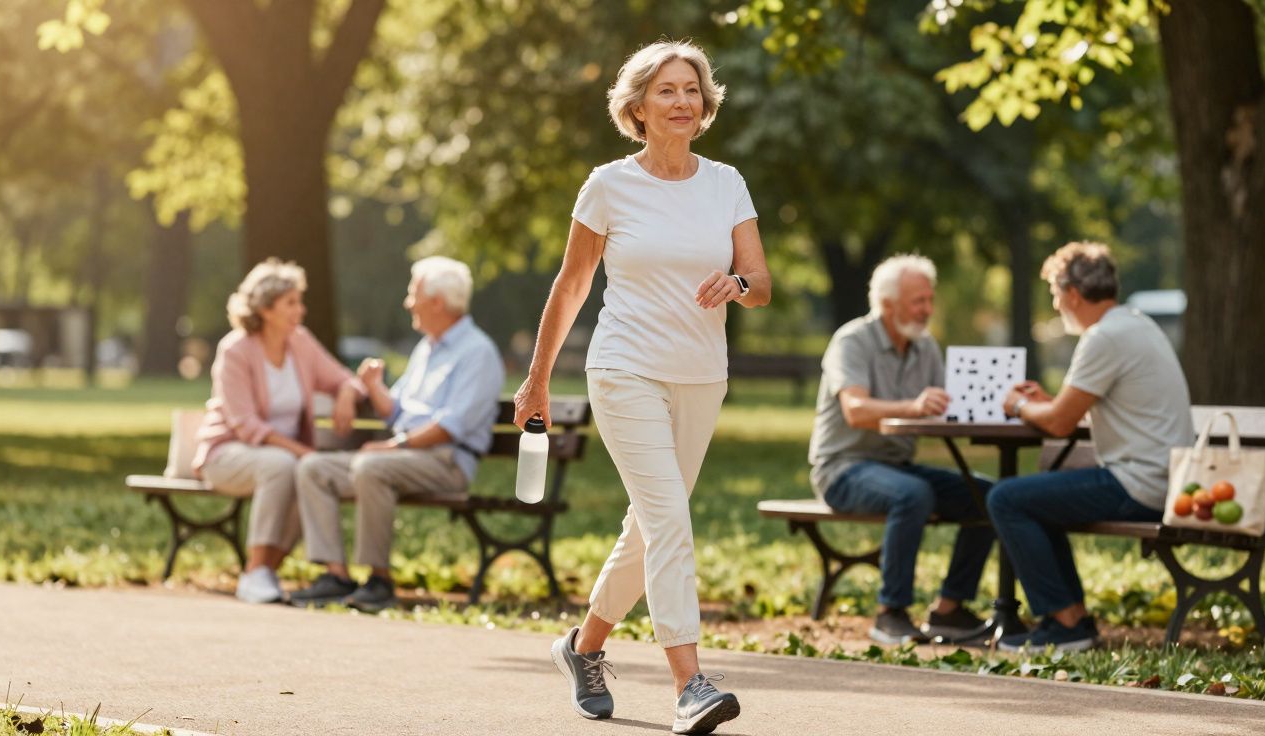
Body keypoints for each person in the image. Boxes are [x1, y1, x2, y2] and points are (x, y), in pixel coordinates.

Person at [511, 40, 770, 735]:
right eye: (667, 91)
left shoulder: (726, 183)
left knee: (648, 525)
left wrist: (737, 285)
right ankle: (690, 685)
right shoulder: (608, 185)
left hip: (701, 376)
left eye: (692, 89)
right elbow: (571, 286)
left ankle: (583, 647)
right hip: (624, 369)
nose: (683, 101)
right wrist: (537, 380)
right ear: (637, 106)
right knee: (668, 522)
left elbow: (761, 282)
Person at [990, 242, 1194, 653]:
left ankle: (1066, 627)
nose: (1055, 303)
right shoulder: (1136, 324)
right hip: (1163, 476)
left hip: (1140, 482)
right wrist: (1048, 405)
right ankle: (1072, 617)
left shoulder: (1104, 337)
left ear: (1072, 295)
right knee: (1035, 501)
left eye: (1054, 293)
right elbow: (1078, 409)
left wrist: (1019, 405)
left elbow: (1061, 423)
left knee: (1006, 499)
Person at [290, 256, 505, 613]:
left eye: (413, 293)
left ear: (437, 302)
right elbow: (397, 410)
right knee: (314, 468)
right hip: (406, 457)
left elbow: (452, 426)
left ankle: (379, 581)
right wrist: (374, 388)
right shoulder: (427, 348)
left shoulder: (477, 353)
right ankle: (336, 576)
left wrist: (392, 446)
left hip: (446, 462)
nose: (408, 302)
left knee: (372, 468)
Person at [808, 254, 996, 644]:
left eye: (929, 300)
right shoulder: (852, 341)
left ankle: (949, 609)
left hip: (896, 466)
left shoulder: (925, 347)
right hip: (841, 469)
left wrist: (1000, 400)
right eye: (918, 301)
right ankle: (889, 613)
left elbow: (947, 405)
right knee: (913, 494)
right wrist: (912, 407)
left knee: (991, 495)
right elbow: (855, 410)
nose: (927, 310)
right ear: (888, 304)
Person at [193, 258, 364, 604]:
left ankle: (263, 572)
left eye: (299, 302)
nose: (300, 310)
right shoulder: (235, 350)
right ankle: (256, 569)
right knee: (283, 465)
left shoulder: (299, 342)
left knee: (302, 471)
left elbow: (342, 376)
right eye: (291, 303)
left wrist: (346, 393)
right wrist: (301, 451)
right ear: (266, 309)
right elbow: (245, 425)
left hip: (281, 457)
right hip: (227, 453)